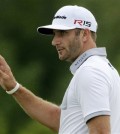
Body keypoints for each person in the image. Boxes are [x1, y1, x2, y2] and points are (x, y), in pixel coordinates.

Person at [0, 5, 120, 134]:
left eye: (63, 33)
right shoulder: (100, 68)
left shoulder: (90, 72)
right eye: (55, 34)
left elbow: (100, 132)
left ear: (84, 34)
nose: (54, 41)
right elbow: (59, 120)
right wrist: (13, 87)